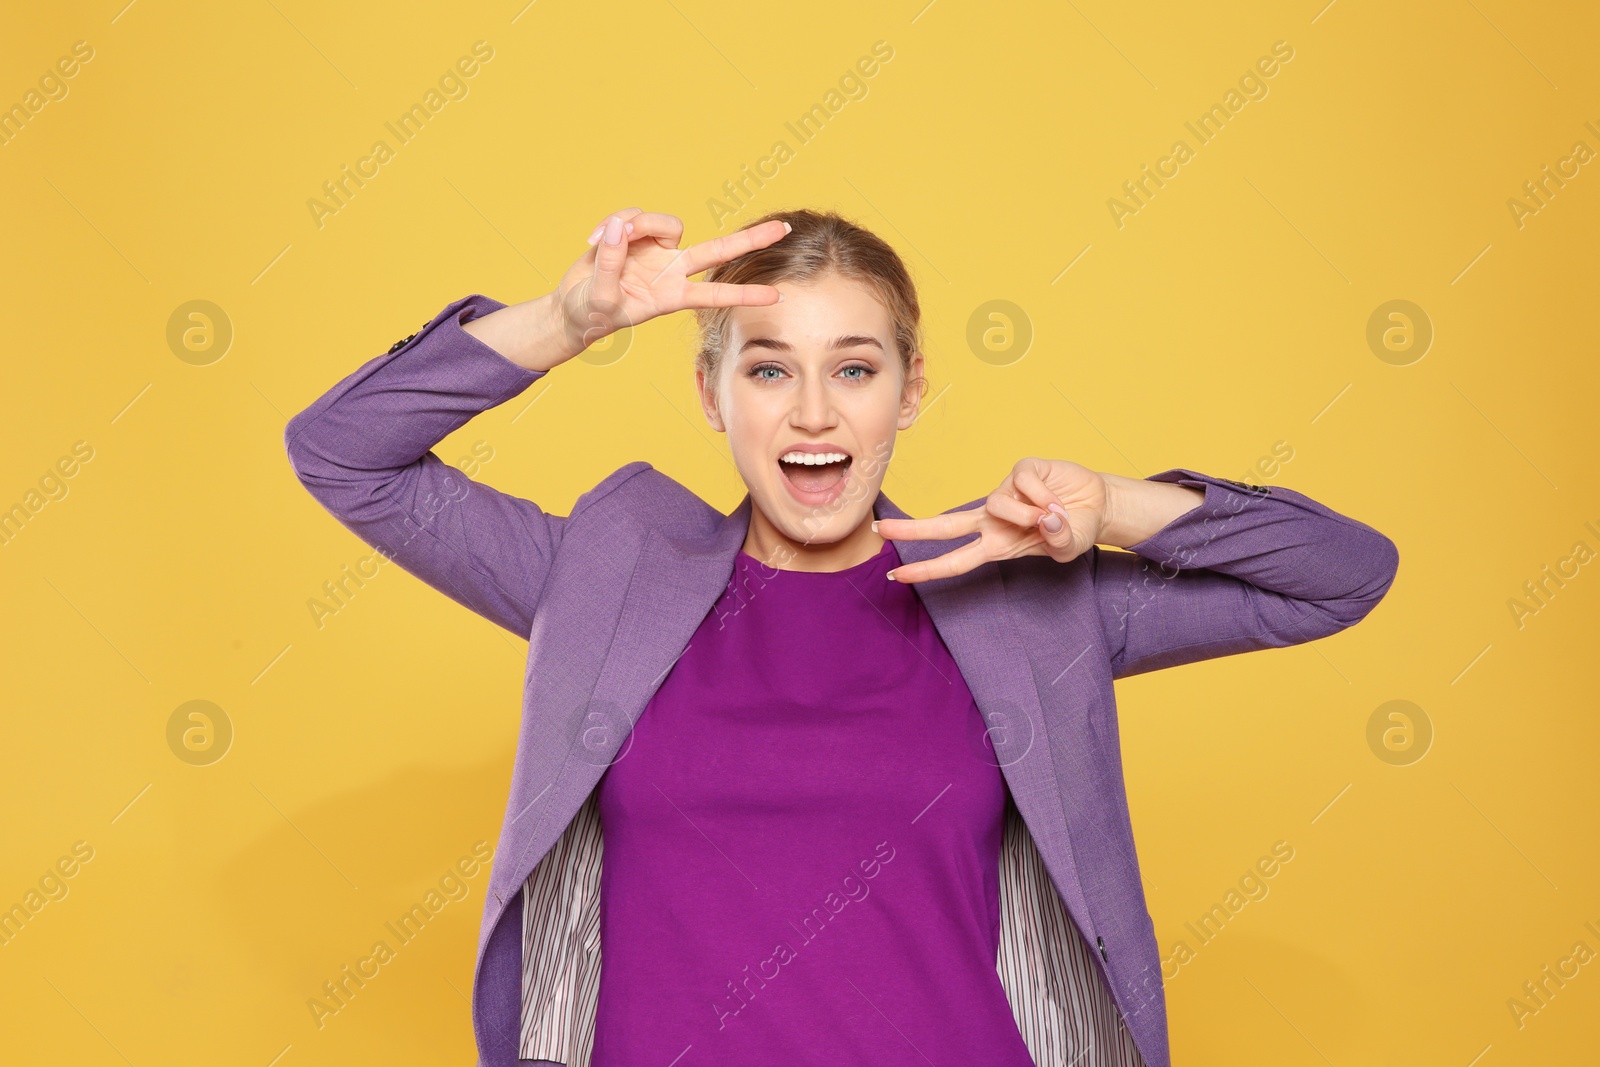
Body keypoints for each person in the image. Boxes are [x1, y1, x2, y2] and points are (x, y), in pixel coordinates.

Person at [283, 206, 1399, 1067]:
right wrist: (565, 321)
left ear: (908, 392)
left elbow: (1340, 577)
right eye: (768, 367)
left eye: (853, 368)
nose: (812, 411)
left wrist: (1116, 505)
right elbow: (341, 451)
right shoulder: (604, 582)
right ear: (712, 395)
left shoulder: (1017, 601)